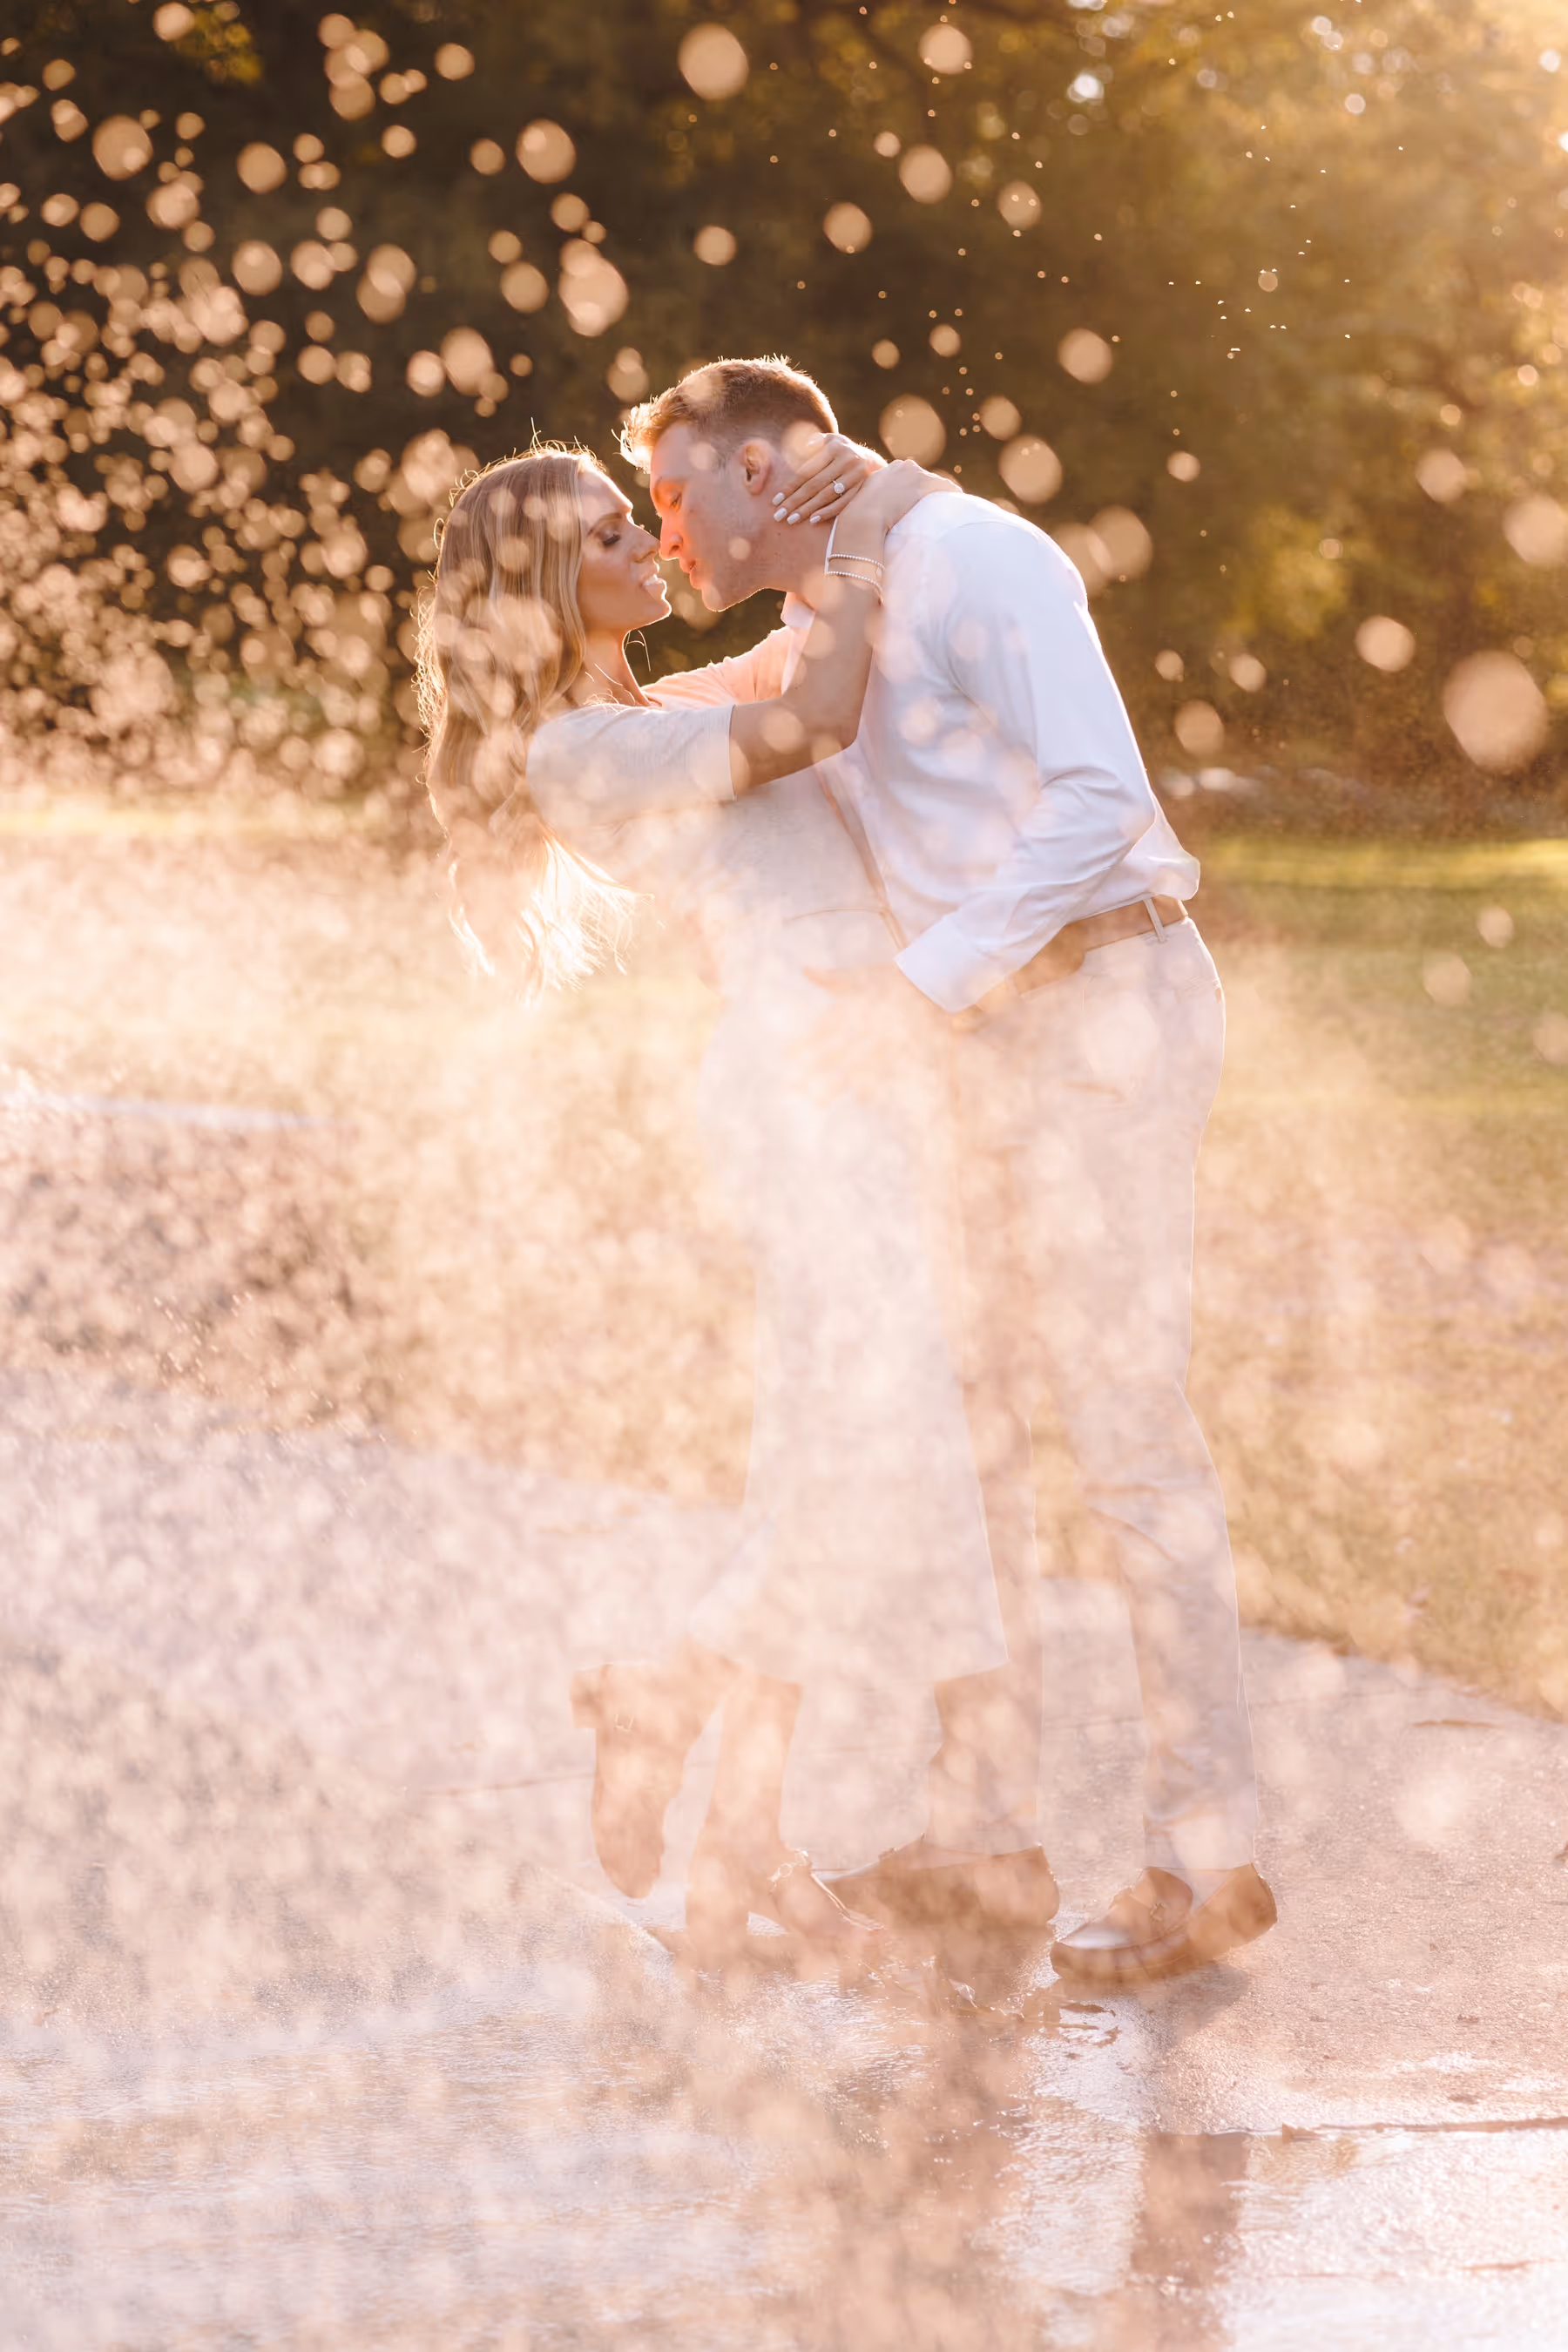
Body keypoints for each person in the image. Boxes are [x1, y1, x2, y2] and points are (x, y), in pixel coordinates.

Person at [624, 357, 1276, 1985]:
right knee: (969, 1435)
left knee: (1128, 1446)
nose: (667, 532)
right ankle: (987, 1835)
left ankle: (1213, 1860)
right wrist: (538, 698)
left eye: (677, 497)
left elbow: (1098, 803)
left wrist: (915, 991)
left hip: (1109, 1012)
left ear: (767, 469)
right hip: (984, 1055)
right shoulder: (836, 610)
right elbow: (698, 726)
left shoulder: (976, 559)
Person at [417, 431, 1013, 1966]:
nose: (651, 546)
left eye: (642, 519)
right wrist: (880, 531)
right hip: (798, 1091)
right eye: (619, 530)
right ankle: (668, 1694)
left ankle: (741, 1852)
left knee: (835, 1456)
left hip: (863, 1073)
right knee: (880, 1440)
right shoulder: (577, 753)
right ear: (556, 581)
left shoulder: (654, 706)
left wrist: (839, 510)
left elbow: (814, 650)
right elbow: (817, 712)